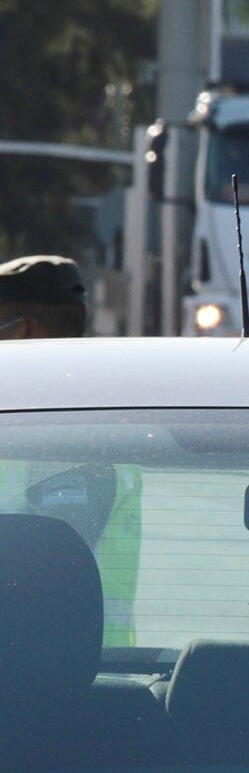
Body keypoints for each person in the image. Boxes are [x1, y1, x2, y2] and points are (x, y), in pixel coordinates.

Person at [0, 255, 142, 647]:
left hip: (52, 681)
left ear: (23, 331)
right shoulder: (95, 422)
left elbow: (45, 576)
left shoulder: (63, 439)